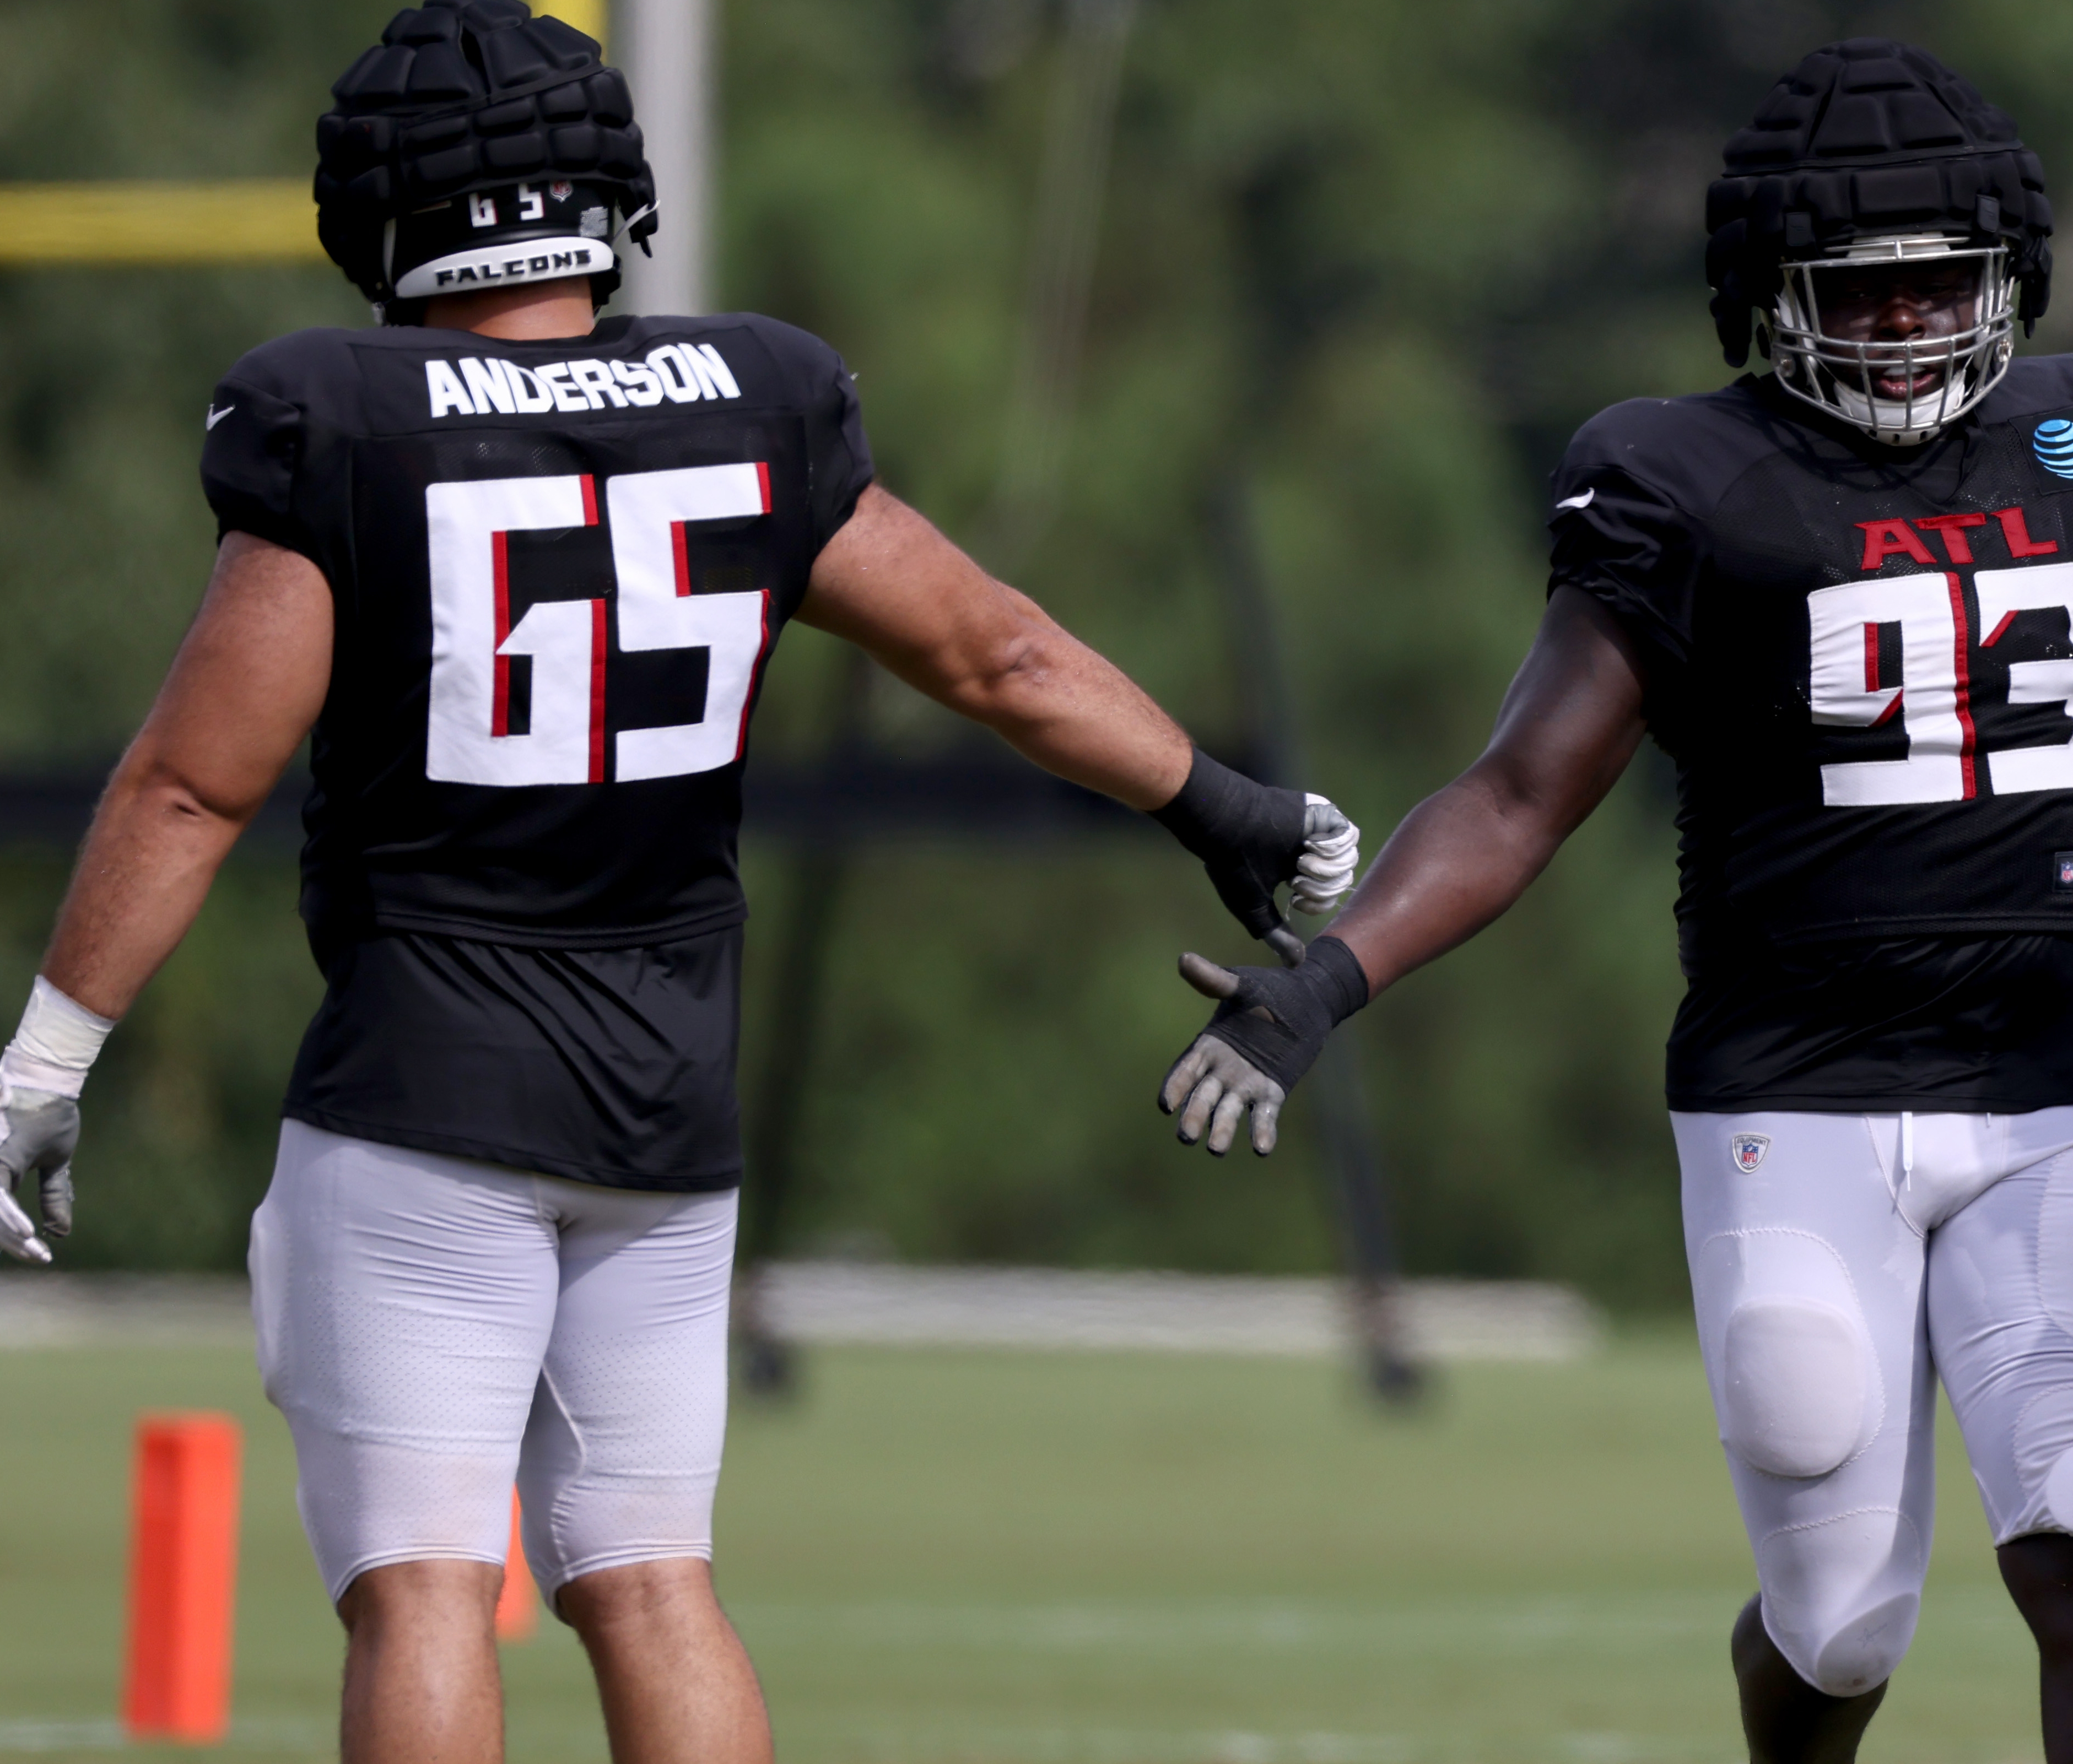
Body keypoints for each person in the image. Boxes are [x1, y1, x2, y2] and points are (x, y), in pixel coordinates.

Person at [0, 3, 1357, 1760]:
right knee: (651, 1575)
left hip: (427, 1090)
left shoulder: (341, 417)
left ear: (387, 209)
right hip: (667, 1109)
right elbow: (998, 656)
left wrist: (46, 1055)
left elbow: (196, 781)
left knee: (419, 1584)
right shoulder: (751, 395)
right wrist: (1228, 806)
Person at [1160, 39, 2073, 1763]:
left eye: (1944, 285)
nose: (1914, 325)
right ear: (1767, 299)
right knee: (1841, 1619)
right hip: (1794, 1087)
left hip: (2055, 1079)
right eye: (1866, 296)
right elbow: (1516, 791)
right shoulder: (1686, 480)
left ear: (2008, 275)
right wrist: (1323, 981)